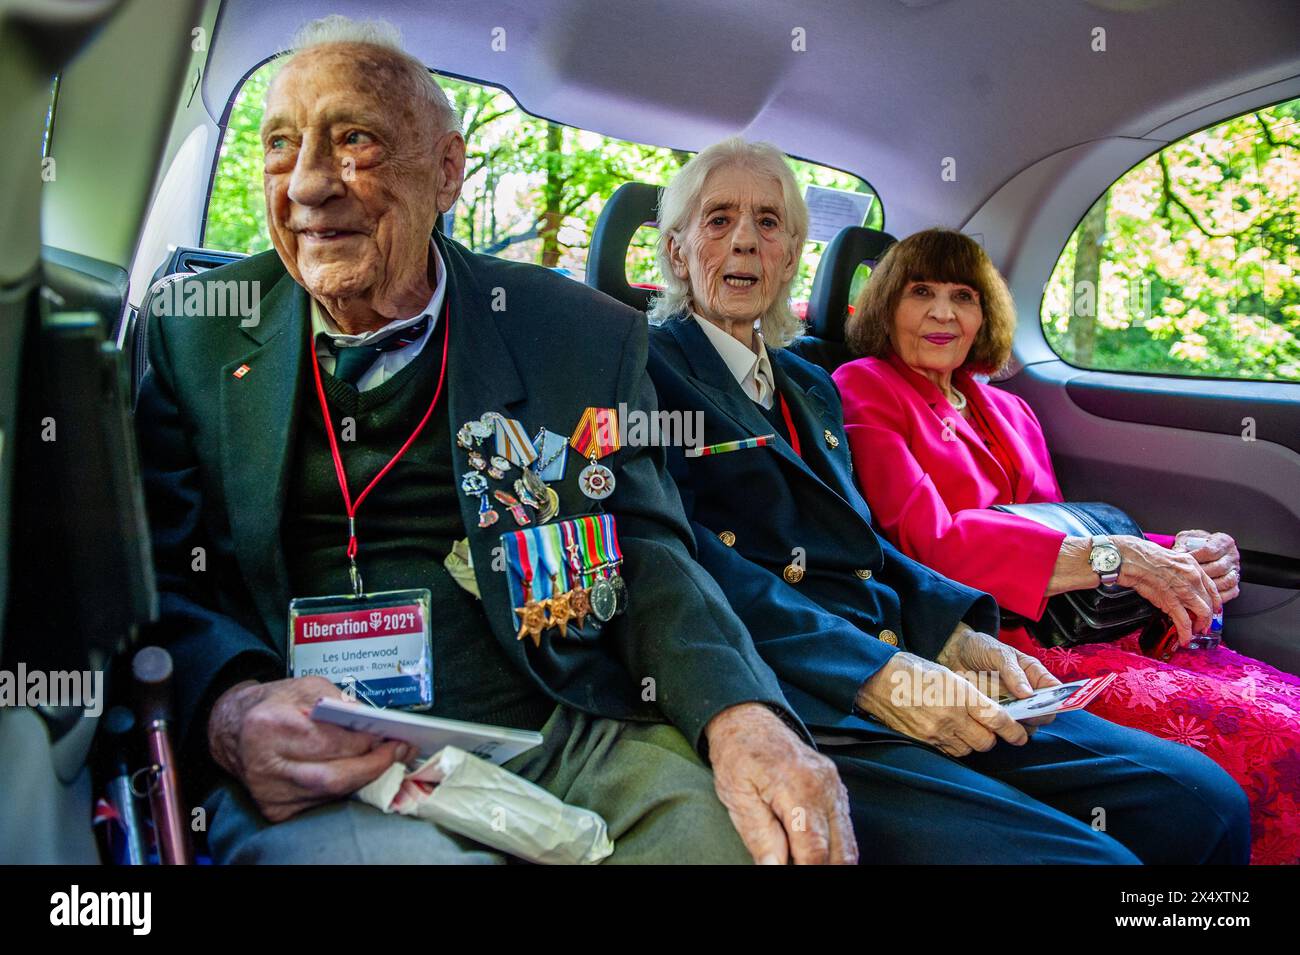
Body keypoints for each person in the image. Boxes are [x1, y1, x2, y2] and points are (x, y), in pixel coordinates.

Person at [134, 16, 858, 865]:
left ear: (447, 171)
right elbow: (148, 579)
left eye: (354, 140)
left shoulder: (576, 334)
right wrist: (229, 709)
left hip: (554, 721)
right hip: (327, 754)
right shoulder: (197, 334)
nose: (306, 185)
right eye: (282, 147)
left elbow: (646, 548)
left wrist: (742, 716)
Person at [645, 136, 1250, 864]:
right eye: (718, 220)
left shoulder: (806, 385)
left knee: (1206, 805)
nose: (745, 238)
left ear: (791, 256)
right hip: (798, 692)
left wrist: (956, 634)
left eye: (769, 223)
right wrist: (873, 671)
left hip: (907, 652)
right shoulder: (644, 373)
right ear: (677, 253)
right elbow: (679, 560)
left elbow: (867, 547)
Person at [833, 226, 1300, 863]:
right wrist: (1125, 559)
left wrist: (1179, 553)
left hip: (1096, 624)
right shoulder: (863, 386)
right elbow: (925, 539)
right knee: (1273, 743)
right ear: (888, 306)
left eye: (963, 295)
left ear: (984, 313)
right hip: (1004, 641)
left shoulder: (1009, 409)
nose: (944, 312)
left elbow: (1061, 523)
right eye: (921, 292)